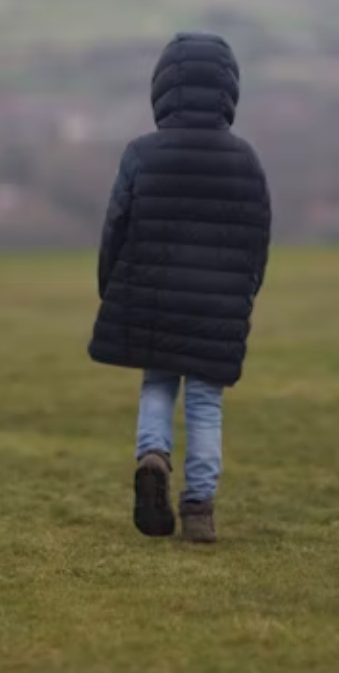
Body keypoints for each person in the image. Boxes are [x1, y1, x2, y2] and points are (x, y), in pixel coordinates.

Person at [88, 32, 272, 543]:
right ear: (228, 90)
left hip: (153, 297)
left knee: (158, 384)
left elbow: (115, 227)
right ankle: (199, 510)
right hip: (218, 303)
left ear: (162, 87)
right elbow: (259, 238)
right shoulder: (246, 159)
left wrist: (112, 289)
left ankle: (152, 456)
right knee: (206, 403)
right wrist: (246, 293)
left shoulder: (141, 154)